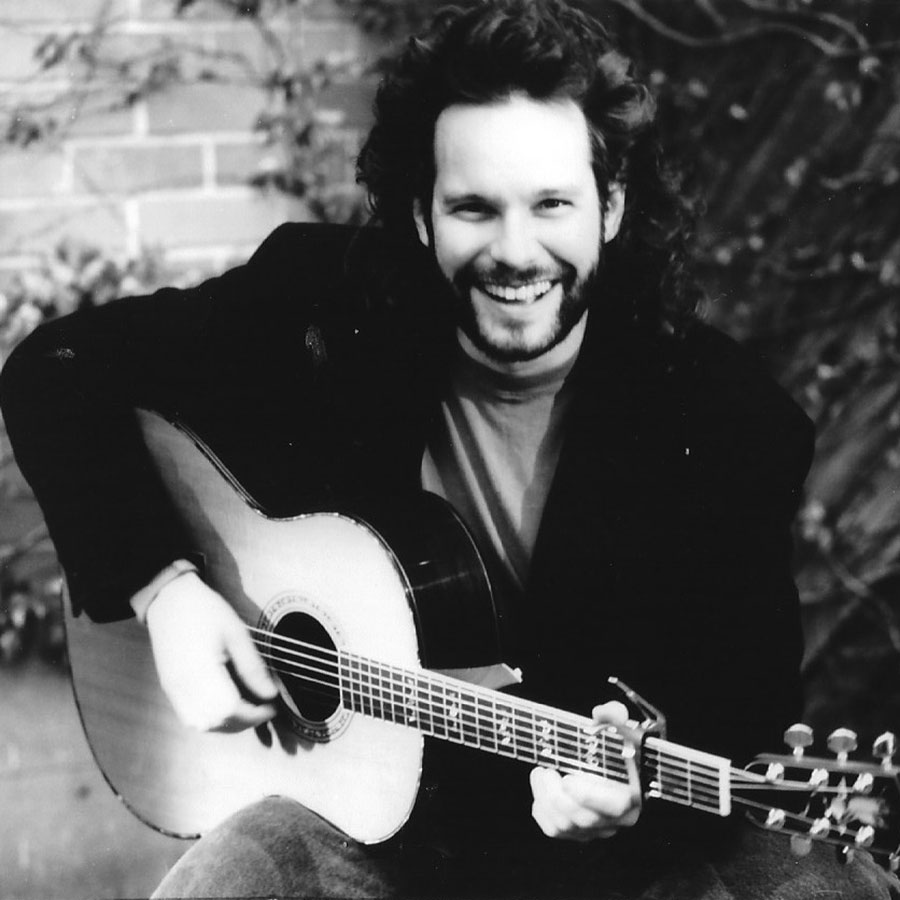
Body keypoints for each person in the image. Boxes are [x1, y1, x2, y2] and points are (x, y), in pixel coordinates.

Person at [1, 1, 896, 897]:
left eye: (552, 204)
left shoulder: (728, 419)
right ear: (422, 215)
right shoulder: (321, 306)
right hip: (356, 824)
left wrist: (631, 795)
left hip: (614, 862)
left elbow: (746, 709)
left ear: (612, 206)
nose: (516, 252)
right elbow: (55, 370)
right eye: (474, 208)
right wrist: (166, 593)